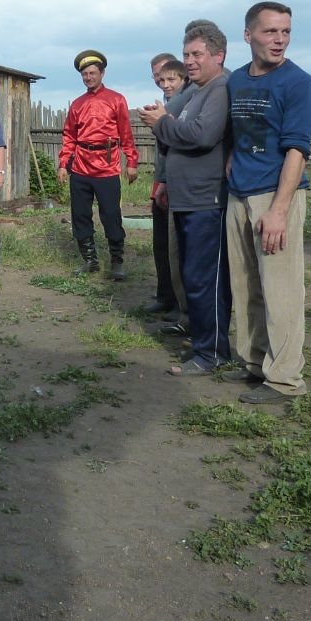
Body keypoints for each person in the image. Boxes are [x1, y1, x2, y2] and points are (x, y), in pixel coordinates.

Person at [224, 2, 311, 405]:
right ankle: (255, 361)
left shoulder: (298, 83)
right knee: (245, 284)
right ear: (248, 35)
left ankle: (284, 379)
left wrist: (279, 210)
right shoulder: (237, 81)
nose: (279, 40)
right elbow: (236, 129)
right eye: (270, 32)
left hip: (275, 195)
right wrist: (231, 156)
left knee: (281, 289)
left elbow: (297, 150)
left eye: (286, 32)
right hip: (239, 193)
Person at [140, 23, 232, 375]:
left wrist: (162, 123)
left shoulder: (219, 90)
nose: (189, 62)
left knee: (205, 277)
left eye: (197, 55)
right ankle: (204, 345)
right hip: (186, 198)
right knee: (192, 274)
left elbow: (201, 135)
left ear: (218, 56)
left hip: (206, 200)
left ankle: (212, 353)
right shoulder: (196, 92)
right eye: (186, 55)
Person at [57, 50, 138, 280]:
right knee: (80, 214)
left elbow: (126, 134)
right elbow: (69, 136)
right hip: (81, 166)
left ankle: (117, 261)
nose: (88, 77)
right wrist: (64, 164)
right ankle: (90, 260)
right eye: (85, 74)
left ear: (102, 73)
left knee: (111, 214)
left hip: (107, 166)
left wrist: (131, 161)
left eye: (92, 73)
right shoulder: (77, 104)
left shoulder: (116, 100)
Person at [146, 52, 181, 315]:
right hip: (163, 178)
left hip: (180, 183)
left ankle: (180, 302)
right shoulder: (165, 103)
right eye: (157, 76)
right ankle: (165, 294)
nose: (160, 80)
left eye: (165, 75)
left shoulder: (183, 102)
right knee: (161, 242)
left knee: (177, 245)